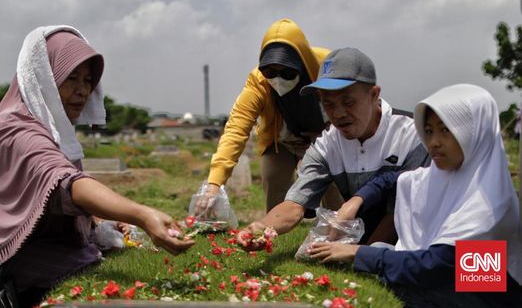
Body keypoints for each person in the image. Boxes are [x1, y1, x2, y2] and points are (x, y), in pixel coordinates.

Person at [0, 26, 194, 307]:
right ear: (45, 79)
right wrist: (142, 214)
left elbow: (51, 196)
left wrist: (101, 221)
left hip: (17, 250)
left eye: (87, 80)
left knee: (87, 253)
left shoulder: (52, 129)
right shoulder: (17, 129)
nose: (82, 91)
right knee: (82, 261)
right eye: (71, 78)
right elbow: (66, 184)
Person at [308, 84, 522, 307]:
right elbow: (391, 181)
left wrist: (356, 253)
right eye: (428, 131)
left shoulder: (490, 203)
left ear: (476, 132)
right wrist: (354, 202)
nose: (434, 142)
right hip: (455, 277)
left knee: (395, 276)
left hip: (486, 296)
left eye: (445, 130)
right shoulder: (453, 175)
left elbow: (433, 266)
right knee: (385, 256)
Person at [237, 47, 429, 247]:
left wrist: (361, 257)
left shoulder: (413, 135)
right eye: (328, 104)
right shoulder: (327, 144)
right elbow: (295, 204)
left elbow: (399, 214)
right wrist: (262, 227)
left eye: (348, 102)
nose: (338, 114)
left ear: (373, 94)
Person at [200, 18, 331, 213]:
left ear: (302, 63)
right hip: (281, 142)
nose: (277, 80)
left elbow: (348, 109)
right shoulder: (258, 82)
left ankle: (339, 232)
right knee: (274, 180)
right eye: (270, 71)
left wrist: (321, 138)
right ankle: (275, 235)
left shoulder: (326, 67)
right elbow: (236, 129)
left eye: (287, 72)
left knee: (333, 188)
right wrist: (214, 185)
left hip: (326, 137)